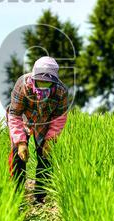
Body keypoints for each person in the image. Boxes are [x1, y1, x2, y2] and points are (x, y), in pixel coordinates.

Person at [6, 56, 69, 204]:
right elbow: (14, 115)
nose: (42, 86)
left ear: (54, 82)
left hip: (45, 122)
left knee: (46, 157)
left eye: (47, 83)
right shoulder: (22, 85)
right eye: (40, 81)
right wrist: (21, 142)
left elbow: (59, 118)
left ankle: (40, 197)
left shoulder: (61, 92)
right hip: (23, 119)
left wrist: (50, 140)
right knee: (17, 155)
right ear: (34, 77)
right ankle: (17, 194)